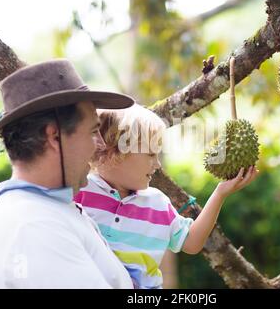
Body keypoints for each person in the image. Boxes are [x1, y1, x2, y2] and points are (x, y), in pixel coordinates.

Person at [0, 59, 135, 288]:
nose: (100, 144)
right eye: (92, 131)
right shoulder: (35, 227)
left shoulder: (43, 210)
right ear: (54, 137)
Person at [74, 104, 259, 288]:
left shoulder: (157, 204)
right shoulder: (80, 193)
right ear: (113, 152)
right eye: (151, 154)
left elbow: (192, 243)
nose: (157, 164)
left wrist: (220, 193)